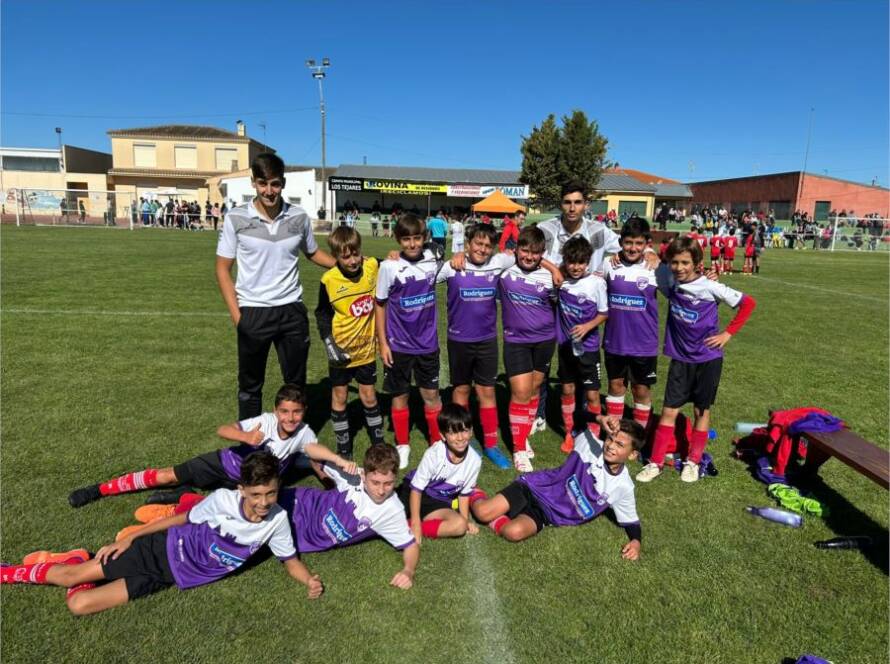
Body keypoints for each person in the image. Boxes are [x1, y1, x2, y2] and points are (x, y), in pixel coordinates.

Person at [2, 452, 324, 615]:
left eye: (270, 493)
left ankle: (76, 556)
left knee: (80, 605)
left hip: (168, 576)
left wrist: (308, 579)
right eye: (256, 495)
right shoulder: (223, 501)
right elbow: (182, 518)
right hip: (158, 549)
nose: (264, 502)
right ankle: (7, 573)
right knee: (69, 577)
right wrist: (132, 537)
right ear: (242, 490)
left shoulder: (277, 520)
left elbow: (290, 559)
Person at [67, 384, 354, 507]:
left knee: (223, 508)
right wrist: (245, 438)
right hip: (223, 462)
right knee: (167, 475)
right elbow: (223, 429)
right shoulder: (264, 422)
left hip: (243, 484)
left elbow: (316, 453)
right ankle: (100, 489)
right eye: (285, 412)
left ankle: (181, 498)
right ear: (276, 410)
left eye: (297, 412)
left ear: (303, 412)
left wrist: (334, 470)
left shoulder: (304, 433)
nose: (290, 418)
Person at [216, 153, 336, 419]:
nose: (269, 191)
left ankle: (292, 448)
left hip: (291, 311)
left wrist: (346, 264)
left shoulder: (299, 217)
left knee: (295, 386)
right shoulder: (235, 218)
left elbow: (313, 253)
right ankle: (249, 453)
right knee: (250, 387)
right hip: (253, 312)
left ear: (283, 183)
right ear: (253, 183)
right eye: (262, 184)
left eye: (274, 184)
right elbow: (222, 268)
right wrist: (238, 317)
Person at [636, 237, 756, 484]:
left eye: (685, 263)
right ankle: (655, 463)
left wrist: (727, 334)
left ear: (697, 263)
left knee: (702, 411)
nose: (679, 267)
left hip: (708, 359)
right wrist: (650, 252)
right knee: (669, 411)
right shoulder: (671, 282)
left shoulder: (712, 287)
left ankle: (693, 461)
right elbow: (650, 256)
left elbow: (748, 304)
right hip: (680, 359)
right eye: (675, 262)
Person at [470, 417, 643, 558]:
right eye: (610, 438)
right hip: (534, 487)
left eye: (620, 445)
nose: (611, 446)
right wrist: (599, 418)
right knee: (482, 513)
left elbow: (631, 521)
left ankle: (500, 514)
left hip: (547, 514)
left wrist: (635, 541)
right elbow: (578, 417)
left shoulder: (623, 486)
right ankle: (470, 489)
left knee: (513, 532)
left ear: (633, 454)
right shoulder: (590, 446)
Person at [278, 444, 419, 589]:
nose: (381, 491)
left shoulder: (392, 511)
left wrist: (408, 571)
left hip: (301, 534)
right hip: (297, 500)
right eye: (375, 483)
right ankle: (302, 463)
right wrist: (338, 460)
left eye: (388, 483)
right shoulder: (353, 476)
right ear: (364, 475)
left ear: (395, 478)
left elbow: (411, 545)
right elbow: (309, 448)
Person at [436, 223, 515, 468]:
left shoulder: (499, 262)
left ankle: (491, 444)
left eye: (487, 246)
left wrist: (552, 268)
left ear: (493, 249)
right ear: (468, 244)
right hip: (459, 340)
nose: (482, 249)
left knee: (487, 392)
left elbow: (528, 256)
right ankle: (462, 440)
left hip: (487, 340)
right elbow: (423, 275)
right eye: (477, 244)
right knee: (461, 391)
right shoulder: (452, 267)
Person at [375, 213, 444, 469]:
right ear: (398, 240)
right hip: (398, 345)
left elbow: (452, 261)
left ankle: (436, 441)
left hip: (427, 344)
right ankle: (402, 443)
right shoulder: (389, 266)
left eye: (417, 238)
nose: (412, 244)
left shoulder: (433, 259)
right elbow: (379, 305)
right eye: (406, 239)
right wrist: (383, 343)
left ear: (424, 238)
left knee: (431, 395)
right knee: (399, 395)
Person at [315, 227, 386, 459]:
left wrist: (395, 256)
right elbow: (322, 314)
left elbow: (392, 264)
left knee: (368, 395)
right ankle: (344, 448)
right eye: (346, 256)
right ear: (335, 256)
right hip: (341, 350)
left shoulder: (372, 266)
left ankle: (378, 443)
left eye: (356, 254)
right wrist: (329, 344)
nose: (353, 260)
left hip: (366, 350)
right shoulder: (328, 280)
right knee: (340, 397)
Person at [498, 226, 558, 472]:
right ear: (516, 249)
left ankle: (523, 435)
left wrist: (553, 268)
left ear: (542, 253)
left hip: (545, 341)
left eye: (535, 253)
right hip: (516, 341)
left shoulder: (550, 277)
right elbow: (476, 258)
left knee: (533, 390)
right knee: (521, 392)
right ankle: (519, 448)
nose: (529, 257)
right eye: (525, 251)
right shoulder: (504, 268)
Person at [602, 219, 659, 432]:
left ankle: (638, 437)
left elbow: (682, 286)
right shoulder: (609, 264)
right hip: (615, 341)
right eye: (628, 243)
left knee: (640, 390)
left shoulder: (654, 267)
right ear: (620, 242)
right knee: (615, 386)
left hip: (643, 344)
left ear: (647, 243)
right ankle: (615, 434)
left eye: (638, 243)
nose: (632, 248)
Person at [397, 404, 482, 544]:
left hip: (438, 502)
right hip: (414, 491)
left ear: (471, 431)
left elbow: (464, 495)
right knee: (383, 515)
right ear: (443, 436)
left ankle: (405, 525)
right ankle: (410, 521)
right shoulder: (434, 454)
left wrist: (466, 521)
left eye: (465, 430)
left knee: (459, 526)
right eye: (453, 432)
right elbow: (416, 489)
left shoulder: (475, 460)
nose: (460, 437)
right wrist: (416, 525)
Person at [556, 236, 609, 454]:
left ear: (587, 262)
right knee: (567, 389)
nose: (576, 267)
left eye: (580, 262)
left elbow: (604, 313)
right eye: (571, 262)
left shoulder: (596, 283)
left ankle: (593, 436)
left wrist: (587, 326)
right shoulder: (560, 281)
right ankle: (570, 432)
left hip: (589, 348)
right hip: (566, 347)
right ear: (565, 261)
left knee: (592, 395)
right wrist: (557, 268)